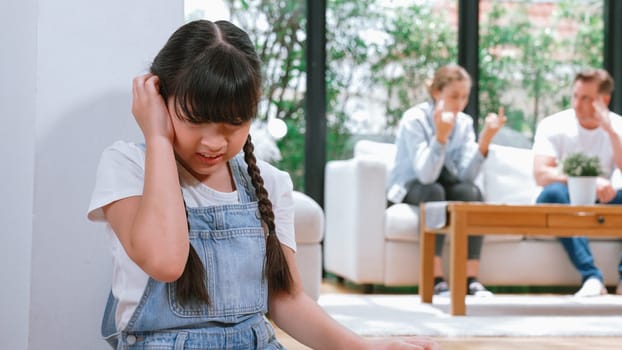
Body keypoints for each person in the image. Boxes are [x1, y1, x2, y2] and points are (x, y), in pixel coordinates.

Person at [87, 20, 439, 350]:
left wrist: (365, 347)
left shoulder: (269, 182)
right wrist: (158, 138)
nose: (213, 143)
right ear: (160, 100)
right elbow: (165, 262)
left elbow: (286, 299)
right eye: (196, 120)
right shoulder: (127, 165)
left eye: (232, 125)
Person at [386, 64, 506, 297]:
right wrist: (440, 137)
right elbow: (425, 175)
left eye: (464, 97)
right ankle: (435, 278)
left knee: (471, 193)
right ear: (436, 93)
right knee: (434, 193)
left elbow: (465, 177)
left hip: (444, 182)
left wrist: (484, 143)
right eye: (453, 96)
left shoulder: (463, 123)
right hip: (411, 185)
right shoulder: (415, 119)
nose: (460, 103)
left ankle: (470, 279)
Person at [533, 68, 622, 297]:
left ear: (604, 100)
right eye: (575, 96)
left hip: (603, 201)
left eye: (586, 98)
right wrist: (589, 183)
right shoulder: (554, 125)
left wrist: (611, 133)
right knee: (552, 193)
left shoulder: (617, 126)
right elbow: (541, 174)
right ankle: (592, 277)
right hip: (566, 199)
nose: (577, 104)